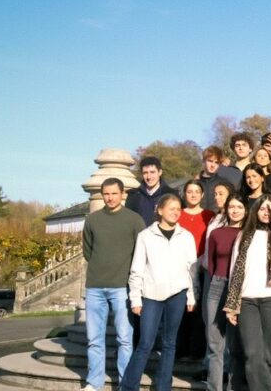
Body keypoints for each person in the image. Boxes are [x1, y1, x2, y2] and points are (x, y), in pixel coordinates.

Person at [121, 193, 198, 391]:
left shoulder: (186, 237)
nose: (176, 212)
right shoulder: (145, 236)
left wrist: (191, 296)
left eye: (178, 209)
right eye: (171, 208)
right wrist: (135, 299)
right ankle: (129, 386)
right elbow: (136, 269)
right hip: (151, 295)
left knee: (169, 343)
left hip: (178, 294)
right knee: (145, 343)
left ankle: (164, 386)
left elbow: (191, 270)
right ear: (160, 210)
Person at [223, 194, 271, 391]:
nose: (266, 213)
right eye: (263, 209)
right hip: (247, 300)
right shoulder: (244, 235)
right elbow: (235, 270)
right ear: (256, 211)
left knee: (269, 356)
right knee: (252, 353)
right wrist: (232, 304)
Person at [80, 178, 145, 391]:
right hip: (95, 286)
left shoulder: (134, 220)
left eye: (114, 193)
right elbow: (88, 251)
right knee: (94, 339)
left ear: (122, 194)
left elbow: (141, 253)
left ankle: (125, 384)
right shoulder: (92, 220)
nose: (110, 198)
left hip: (122, 287)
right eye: (106, 194)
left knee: (124, 339)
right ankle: (94, 382)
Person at [203, 193, 246, 391]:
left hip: (241, 289)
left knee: (236, 344)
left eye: (239, 207)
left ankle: (233, 386)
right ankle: (214, 387)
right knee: (215, 342)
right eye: (231, 207)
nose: (235, 211)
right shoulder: (216, 233)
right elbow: (211, 264)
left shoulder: (249, 234)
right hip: (217, 285)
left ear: (246, 210)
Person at [176, 180, 215, 360]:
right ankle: (180, 348)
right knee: (182, 309)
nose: (193, 195)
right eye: (189, 191)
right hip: (180, 268)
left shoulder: (209, 215)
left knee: (200, 311)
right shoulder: (178, 214)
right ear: (184, 194)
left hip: (202, 267)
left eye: (197, 191)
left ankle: (196, 350)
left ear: (202, 194)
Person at [125, 157, 178, 226]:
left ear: (160, 172)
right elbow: (128, 221)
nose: (149, 177)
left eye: (152, 172)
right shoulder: (133, 195)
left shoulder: (171, 195)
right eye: (145, 173)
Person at [200, 146, 242, 210]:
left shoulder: (224, 183)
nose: (213, 165)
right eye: (210, 161)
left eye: (216, 162)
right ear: (203, 161)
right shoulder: (196, 183)